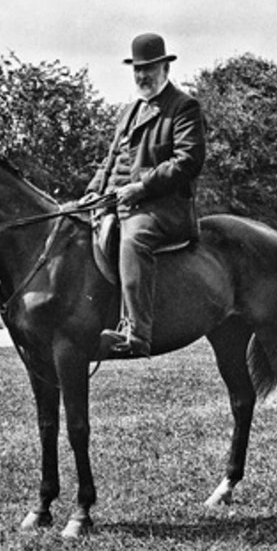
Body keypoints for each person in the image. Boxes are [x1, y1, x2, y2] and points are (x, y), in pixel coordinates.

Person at [81, 32, 206, 358]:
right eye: (137, 68)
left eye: (149, 68)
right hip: (120, 200)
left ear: (165, 68)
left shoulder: (183, 107)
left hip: (162, 206)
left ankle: (136, 335)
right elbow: (111, 159)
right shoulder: (129, 111)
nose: (142, 75)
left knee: (133, 238)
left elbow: (188, 161)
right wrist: (94, 191)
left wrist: (142, 187)